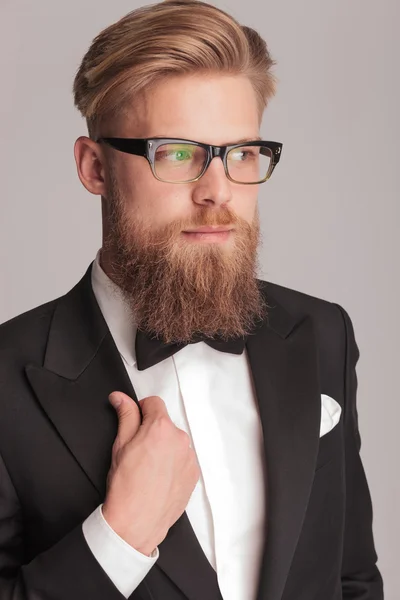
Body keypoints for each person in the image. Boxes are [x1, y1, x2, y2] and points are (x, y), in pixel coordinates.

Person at [0, 0, 383, 598]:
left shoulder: (323, 331)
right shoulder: (5, 376)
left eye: (242, 154)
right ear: (94, 167)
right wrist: (120, 535)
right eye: (176, 153)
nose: (217, 191)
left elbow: (351, 578)